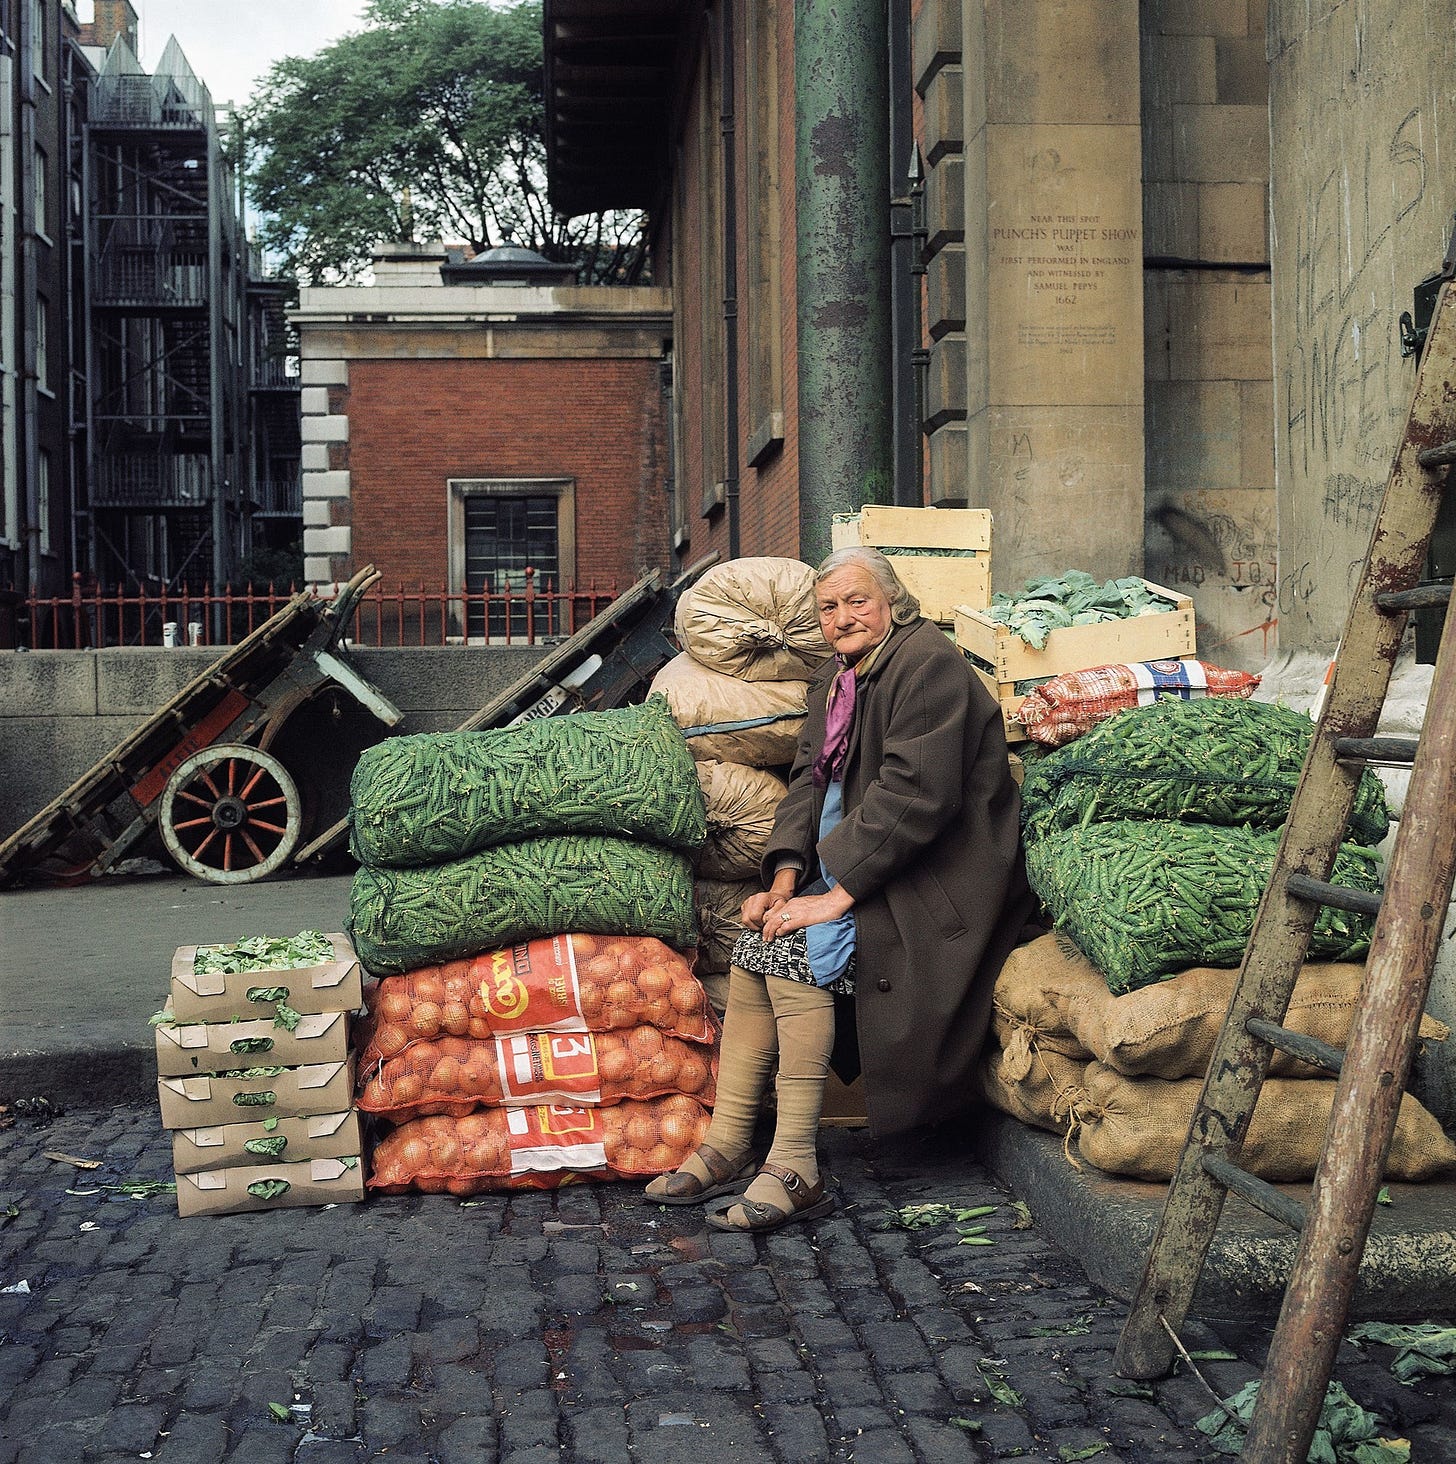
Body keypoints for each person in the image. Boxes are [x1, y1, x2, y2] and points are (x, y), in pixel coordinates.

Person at [644, 545, 1038, 1231]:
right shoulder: (836, 678)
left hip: (939, 878)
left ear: (893, 601)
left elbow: (915, 797)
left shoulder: (927, 666)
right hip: (865, 866)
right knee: (752, 949)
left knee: (795, 953)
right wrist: (787, 878)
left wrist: (834, 895)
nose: (843, 617)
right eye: (828, 608)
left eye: (858, 601)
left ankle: (796, 1165)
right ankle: (732, 1142)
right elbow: (808, 781)